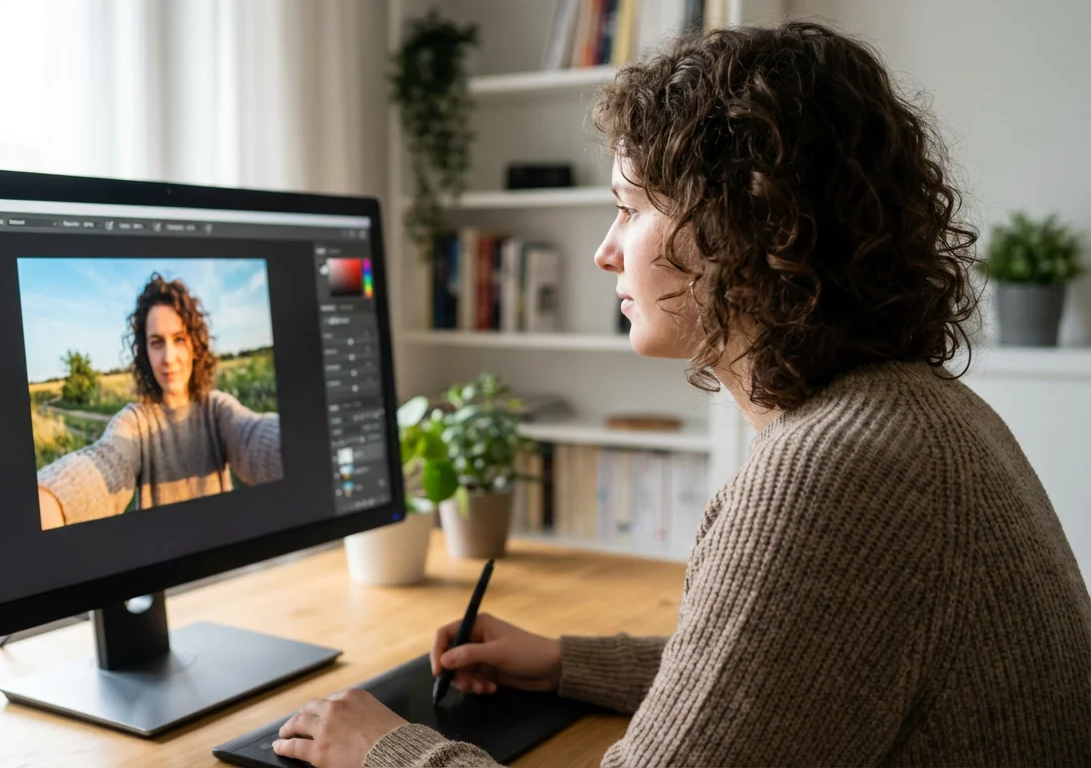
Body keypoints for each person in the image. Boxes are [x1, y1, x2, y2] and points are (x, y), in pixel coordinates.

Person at [272, 22, 1091, 767]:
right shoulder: (914, 415)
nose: (604, 252)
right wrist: (567, 661)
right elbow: (791, 675)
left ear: (746, 221)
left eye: (628, 209)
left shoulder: (834, 474)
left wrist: (385, 750)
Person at [36, 274, 283, 529]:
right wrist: (49, 501)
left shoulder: (218, 411)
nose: (168, 356)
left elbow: (254, 438)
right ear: (145, 352)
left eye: (179, 339)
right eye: (156, 343)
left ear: (195, 346)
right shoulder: (136, 422)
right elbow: (105, 462)